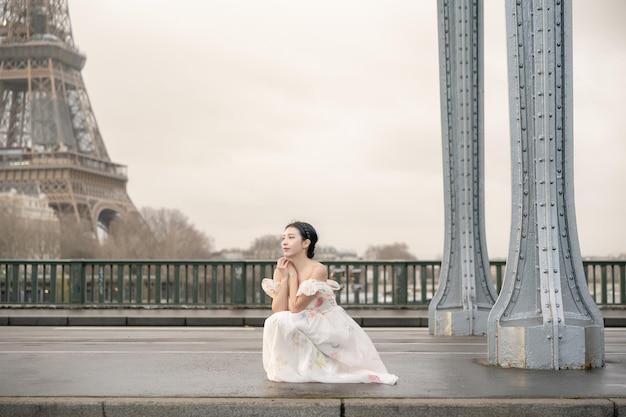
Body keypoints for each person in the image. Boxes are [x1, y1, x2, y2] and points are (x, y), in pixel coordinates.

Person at [261, 221, 398, 385]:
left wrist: (293, 276)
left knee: (286, 319)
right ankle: (291, 369)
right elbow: (278, 309)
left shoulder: (317, 269)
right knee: (274, 321)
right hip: (303, 318)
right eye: (283, 238)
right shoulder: (281, 269)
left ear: (306, 243)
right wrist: (284, 277)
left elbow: (296, 307)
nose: (284, 242)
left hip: (324, 320)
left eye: (291, 237)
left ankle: (308, 368)